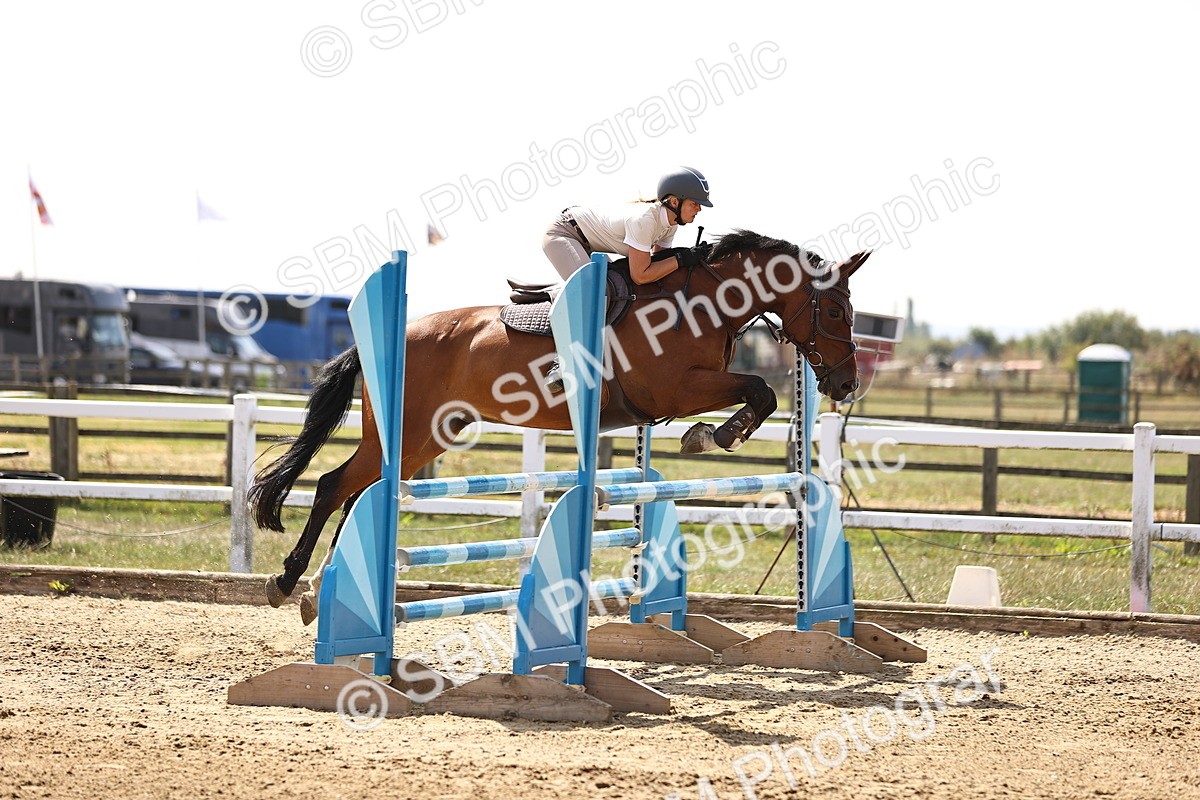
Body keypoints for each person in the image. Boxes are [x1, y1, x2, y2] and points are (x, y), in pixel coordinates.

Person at [541, 166, 714, 391]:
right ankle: (561, 363)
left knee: (623, 291)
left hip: (586, 240)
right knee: (598, 292)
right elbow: (641, 275)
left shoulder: (669, 225)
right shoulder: (645, 220)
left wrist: (691, 258)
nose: (699, 209)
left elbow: (659, 263)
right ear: (674, 202)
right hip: (564, 234)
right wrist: (681, 259)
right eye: (694, 203)